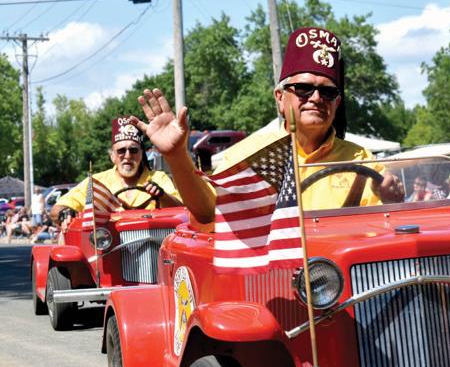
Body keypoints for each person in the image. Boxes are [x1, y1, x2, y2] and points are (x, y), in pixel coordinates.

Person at [130, 26, 403, 223]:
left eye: (328, 91)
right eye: (304, 89)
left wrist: (393, 203)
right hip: (265, 289)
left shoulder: (361, 160)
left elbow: (380, 227)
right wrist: (176, 155)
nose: (317, 98)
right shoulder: (246, 155)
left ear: (337, 103)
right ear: (280, 98)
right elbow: (208, 211)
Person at [50, 118, 183, 224]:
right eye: (121, 151)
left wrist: (162, 195)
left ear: (142, 154)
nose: (127, 156)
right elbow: (57, 209)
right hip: (109, 253)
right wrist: (65, 213)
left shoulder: (158, 178)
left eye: (133, 150)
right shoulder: (96, 182)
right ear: (112, 156)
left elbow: (181, 211)